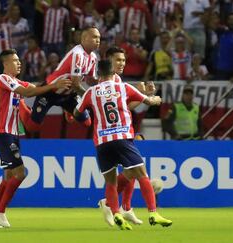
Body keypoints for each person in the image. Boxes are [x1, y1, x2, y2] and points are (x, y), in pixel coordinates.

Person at [74, 60, 172, 230]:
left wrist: (85, 113)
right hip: (122, 138)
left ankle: (116, 213)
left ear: (98, 75)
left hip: (102, 142)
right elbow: (148, 102)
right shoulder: (123, 87)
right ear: (114, 74)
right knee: (142, 174)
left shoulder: (91, 92)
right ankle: (153, 213)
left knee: (111, 182)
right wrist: (156, 98)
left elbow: (77, 113)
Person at [0, 49, 71, 228]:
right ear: (5, 64)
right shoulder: (3, 79)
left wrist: (55, 85)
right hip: (3, 132)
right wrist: (53, 86)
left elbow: (34, 88)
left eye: (19, 60)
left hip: (13, 133)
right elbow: (28, 93)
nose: (19, 63)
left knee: (8, 176)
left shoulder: (16, 81)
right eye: (15, 60)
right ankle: (0, 211)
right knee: (20, 173)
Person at [98, 46, 157, 227]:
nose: (122, 64)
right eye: (118, 60)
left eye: (124, 60)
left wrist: (143, 95)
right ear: (108, 60)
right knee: (131, 171)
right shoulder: (104, 82)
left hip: (124, 130)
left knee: (130, 170)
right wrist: (145, 97)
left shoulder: (117, 80)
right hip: (112, 134)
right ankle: (111, 204)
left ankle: (125, 207)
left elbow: (123, 106)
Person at [19, 26, 100, 132]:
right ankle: (19, 104)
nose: (98, 40)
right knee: (32, 127)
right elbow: (76, 84)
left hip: (69, 95)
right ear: (84, 38)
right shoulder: (78, 54)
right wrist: (91, 98)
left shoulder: (93, 57)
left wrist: (104, 82)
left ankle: (68, 109)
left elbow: (90, 80)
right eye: (94, 37)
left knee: (87, 122)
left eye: (99, 37)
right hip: (50, 91)